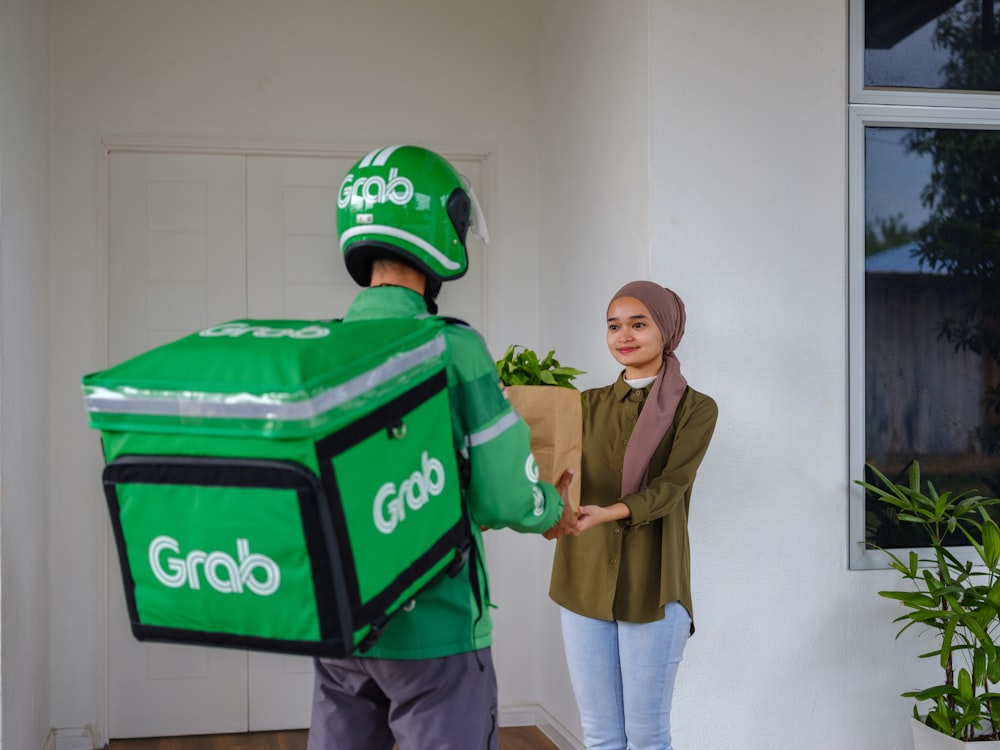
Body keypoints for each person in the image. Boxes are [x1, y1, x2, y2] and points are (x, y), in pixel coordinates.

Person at [307, 144, 579, 750]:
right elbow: (504, 493)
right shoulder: (453, 349)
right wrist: (552, 509)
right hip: (439, 628)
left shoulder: (320, 350)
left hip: (343, 625)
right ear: (441, 231)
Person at [549, 280, 718, 750]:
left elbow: (671, 488)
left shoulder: (697, 409)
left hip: (654, 584)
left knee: (646, 735)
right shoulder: (584, 405)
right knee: (601, 735)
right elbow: (556, 473)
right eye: (613, 325)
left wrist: (608, 513)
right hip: (582, 580)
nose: (624, 335)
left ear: (666, 329)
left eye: (638, 324)